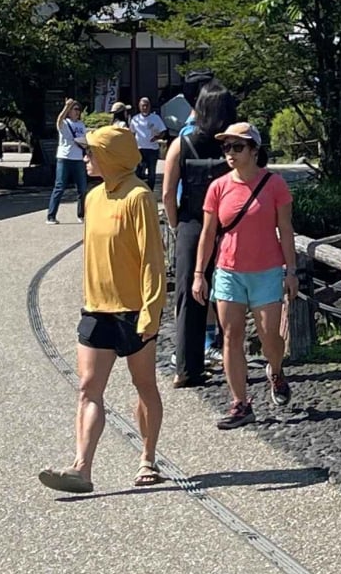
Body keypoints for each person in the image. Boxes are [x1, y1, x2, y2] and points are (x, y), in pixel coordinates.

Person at [38, 125, 165, 493]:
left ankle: (148, 457)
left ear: (111, 156)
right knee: (88, 388)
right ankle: (82, 468)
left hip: (134, 310)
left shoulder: (138, 197)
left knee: (144, 387)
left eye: (92, 151)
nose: (86, 157)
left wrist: (151, 311)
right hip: (96, 310)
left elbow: (152, 261)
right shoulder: (93, 198)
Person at [193, 122, 296, 428]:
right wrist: (200, 272)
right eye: (226, 147)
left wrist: (291, 271)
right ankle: (240, 403)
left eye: (238, 147)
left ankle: (275, 370)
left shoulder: (275, 184)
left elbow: (286, 230)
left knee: (270, 337)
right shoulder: (218, 187)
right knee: (231, 336)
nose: (231, 153)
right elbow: (208, 232)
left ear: (254, 150)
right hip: (228, 270)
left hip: (266, 271)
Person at [161, 80, 235, 389]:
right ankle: (232, 356)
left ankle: (187, 369)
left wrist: (178, 225)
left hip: (192, 221)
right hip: (229, 224)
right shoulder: (234, 144)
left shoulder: (182, 143)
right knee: (232, 291)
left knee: (188, 296)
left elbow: (166, 193)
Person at [47, 100, 90, 225]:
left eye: (78, 109)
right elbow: (59, 119)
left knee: (82, 188)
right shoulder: (65, 123)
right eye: (74, 109)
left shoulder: (81, 125)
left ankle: (81, 215)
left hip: (78, 158)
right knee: (59, 187)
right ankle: (51, 215)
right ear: (69, 111)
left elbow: (85, 140)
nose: (77, 111)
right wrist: (66, 106)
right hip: (64, 157)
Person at [129, 97, 168, 191]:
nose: (145, 107)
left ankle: (150, 190)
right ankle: (139, 190)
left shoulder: (156, 118)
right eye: (143, 106)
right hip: (139, 148)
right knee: (138, 171)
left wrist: (157, 137)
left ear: (150, 106)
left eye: (146, 105)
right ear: (139, 107)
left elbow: (163, 131)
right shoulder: (135, 119)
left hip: (152, 149)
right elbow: (131, 133)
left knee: (152, 172)